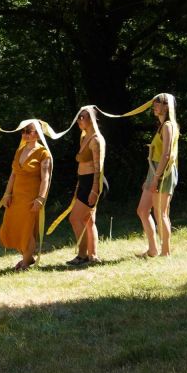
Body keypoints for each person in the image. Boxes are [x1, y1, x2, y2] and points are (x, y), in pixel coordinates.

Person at [0, 121, 52, 270]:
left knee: (27, 230)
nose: (25, 134)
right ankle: (28, 258)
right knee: (15, 228)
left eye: (29, 131)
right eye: (23, 131)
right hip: (16, 197)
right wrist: (7, 194)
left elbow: (45, 178)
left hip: (31, 197)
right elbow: (13, 174)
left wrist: (40, 198)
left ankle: (26, 261)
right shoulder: (19, 151)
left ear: (38, 134)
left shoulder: (43, 153)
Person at [137, 93, 180, 257]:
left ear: (167, 107)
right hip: (155, 171)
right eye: (154, 102)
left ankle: (165, 252)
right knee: (142, 210)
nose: (154, 105)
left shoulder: (168, 126)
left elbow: (166, 155)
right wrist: (149, 178)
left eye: (158, 103)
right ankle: (153, 249)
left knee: (160, 213)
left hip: (164, 173)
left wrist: (155, 179)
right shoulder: (162, 126)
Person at [66, 107, 106, 267]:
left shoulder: (96, 140)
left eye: (83, 117)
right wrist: (79, 185)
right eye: (78, 117)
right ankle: (93, 255)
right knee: (88, 220)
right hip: (84, 181)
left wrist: (94, 190)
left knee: (74, 218)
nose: (79, 120)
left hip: (92, 182)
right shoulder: (84, 137)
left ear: (92, 119)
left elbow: (98, 168)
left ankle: (82, 255)